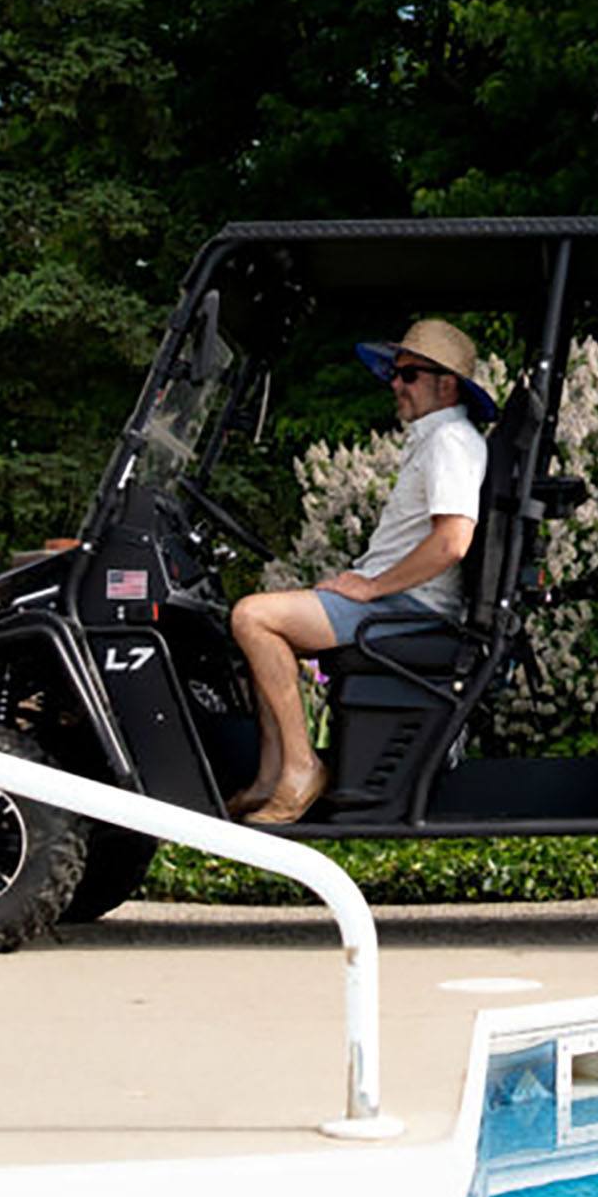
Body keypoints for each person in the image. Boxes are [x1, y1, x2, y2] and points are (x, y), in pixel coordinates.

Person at [226, 318, 492, 825]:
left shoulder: (451, 442)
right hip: (396, 600)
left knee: (253, 618)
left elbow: (452, 542)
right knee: (261, 630)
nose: (395, 384)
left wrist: (370, 588)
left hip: (411, 608)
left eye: (409, 375)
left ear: (446, 384)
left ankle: (302, 769)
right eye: (395, 373)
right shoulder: (434, 440)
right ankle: (271, 775)